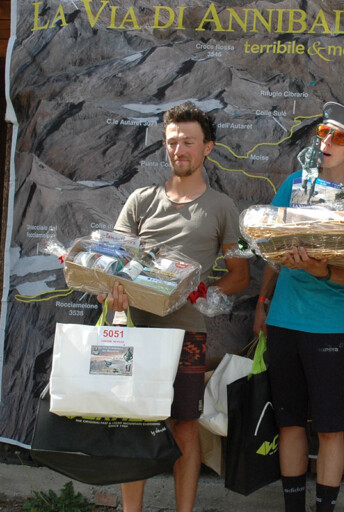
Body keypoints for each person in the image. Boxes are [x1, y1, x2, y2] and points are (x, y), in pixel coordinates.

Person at [101, 102, 250, 512]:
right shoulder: (140, 200)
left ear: (207, 148)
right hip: (134, 333)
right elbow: (113, 262)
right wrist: (110, 290)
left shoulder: (222, 207)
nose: (178, 150)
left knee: (185, 424)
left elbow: (240, 274)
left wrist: (203, 293)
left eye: (188, 142)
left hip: (187, 336)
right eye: (171, 142)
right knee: (134, 425)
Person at [252, 102, 344, 512]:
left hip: (330, 325)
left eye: (338, 137)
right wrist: (263, 302)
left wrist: (322, 271)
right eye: (323, 132)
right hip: (284, 320)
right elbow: (272, 250)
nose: (327, 142)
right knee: (288, 424)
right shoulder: (295, 183)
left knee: (329, 429)